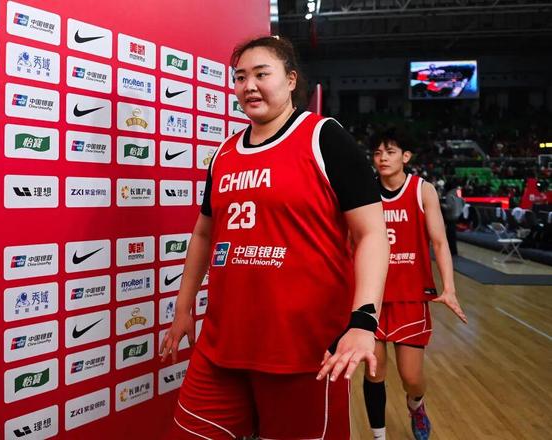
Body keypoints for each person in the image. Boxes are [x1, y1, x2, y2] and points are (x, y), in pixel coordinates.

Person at [159, 35, 390, 440]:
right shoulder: (224, 153)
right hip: (221, 346)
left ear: (290, 80)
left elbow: (372, 233)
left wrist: (363, 320)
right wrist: (183, 308)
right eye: (240, 77)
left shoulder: (324, 137)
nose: (249, 86)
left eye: (261, 74)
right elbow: (203, 233)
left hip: (303, 353)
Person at [365, 129, 468, 440]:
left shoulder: (422, 190)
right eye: (378, 153)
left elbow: (439, 242)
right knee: (374, 372)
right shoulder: (365, 191)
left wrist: (448, 288)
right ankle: (379, 436)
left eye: (390, 152)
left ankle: (416, 404)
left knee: (411, 377)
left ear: (406, 157)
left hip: (410, 296)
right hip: (373, 295)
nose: (382, 158)